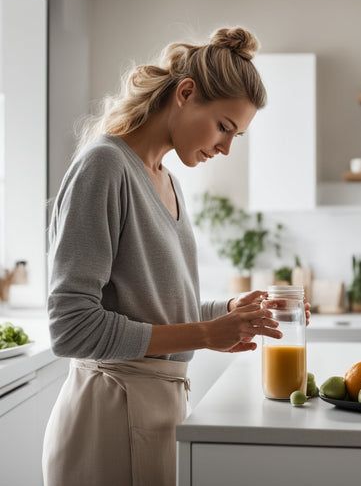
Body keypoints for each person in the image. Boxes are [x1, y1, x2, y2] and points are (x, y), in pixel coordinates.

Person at [42, 26, 310, 486]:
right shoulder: (105, 166)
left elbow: (153, 310)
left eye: (237, 136)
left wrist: (228, 313)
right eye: (224, 126)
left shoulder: (166, 180)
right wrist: (207, 332)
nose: (226, 147)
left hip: (158, 411)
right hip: (107, 418)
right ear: (186, 93)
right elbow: (71, 327)